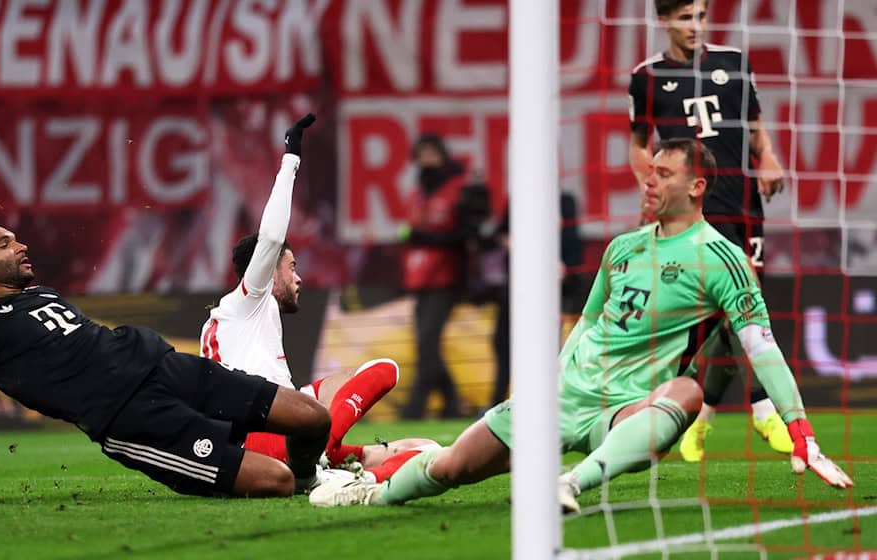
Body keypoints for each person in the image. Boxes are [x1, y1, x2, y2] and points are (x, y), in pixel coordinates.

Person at [308, 138, 853, 511]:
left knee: (687, 392)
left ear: (697, 188)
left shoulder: (722, 259)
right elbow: (588, 321)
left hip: (628, 407)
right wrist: (552, 379)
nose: (649, 182)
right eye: (649, 172)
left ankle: (570, 481)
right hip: (569, 391)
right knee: (452, 467)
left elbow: (763, 349)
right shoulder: (622, 248)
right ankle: (368, 491)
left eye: (664, 174)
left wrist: (800, 431)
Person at [0, 122, 338, 508]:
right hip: (131, 416)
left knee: (314, 417)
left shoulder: (42, 295)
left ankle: (309, 478)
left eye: (15, 239)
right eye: (5, 244)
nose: (21, 246)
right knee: (274, 481)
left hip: (164, 365)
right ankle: (292, 479)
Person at [200, 114, 437, 480]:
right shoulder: (249, 299)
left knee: (426, 449)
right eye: (291, 267)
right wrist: (291, 159)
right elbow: (272, 238)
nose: (299, 277)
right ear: (268, 269)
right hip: (262, 441)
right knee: (385, 369)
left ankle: (347, 473)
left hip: (256, 442)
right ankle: (322, 454)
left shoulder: (234, 324)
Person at [627, 0, 791, 461]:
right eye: (685, 18)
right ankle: (763, 409)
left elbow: (755, 127)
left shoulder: (734, 63)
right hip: (690, 212)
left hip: (743, 207)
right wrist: (652, 188)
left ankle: (700, 419)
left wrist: (769, 157)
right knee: (734, 309)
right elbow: (639, 145)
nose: (695, 26)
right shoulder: (647, 77)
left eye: (700, 16)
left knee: (728, 319)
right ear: (664, 21)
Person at [399, 133, 469, 419]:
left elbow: (464, 236)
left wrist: (426, 238)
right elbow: (411, 231)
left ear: (442, 155)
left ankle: (414, 408)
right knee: (425, 343)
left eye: (431, 153)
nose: (427, 160)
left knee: (427, 341)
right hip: (420, 279)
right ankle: (452, 404)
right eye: (422, 155)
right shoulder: (418, 193)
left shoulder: (457, 189)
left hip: (447, 278)